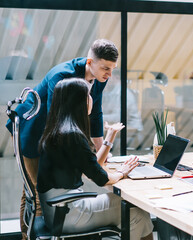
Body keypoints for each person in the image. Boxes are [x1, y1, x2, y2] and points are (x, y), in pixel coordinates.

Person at [5, 39, 119, 239]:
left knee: (31, 191)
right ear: (90, 62)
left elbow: (96, 115)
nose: (109, 74)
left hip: (52, 135)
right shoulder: (62, 75)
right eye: (106, 68)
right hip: (32, 132)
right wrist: (81, 153)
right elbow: (55, 119)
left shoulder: (100, 77)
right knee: (36, 195)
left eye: (112, 69)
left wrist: (102, 152)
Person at [37, 78, 153, 239]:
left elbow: (92, 168)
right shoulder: (73, 135)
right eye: (88, 95)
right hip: (70, 212)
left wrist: (109, 138)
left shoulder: (58, 131)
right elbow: (101, 178)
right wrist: (121, 172)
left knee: (130, 207)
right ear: (79, 101)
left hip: (57, 210)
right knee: (136, 212)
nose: (91, 99)